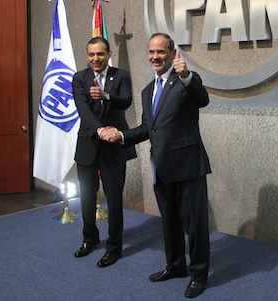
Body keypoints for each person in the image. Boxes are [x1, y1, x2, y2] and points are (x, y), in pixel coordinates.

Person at [100, 33, 211, 298]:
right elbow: (148, 128)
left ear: (172, 54)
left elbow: (203, 99)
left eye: (161, 52)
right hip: (161, 167)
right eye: (151, 52)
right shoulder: (148, 90)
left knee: (194, 224)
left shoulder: (185, 81)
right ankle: (175, 266)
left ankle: (199, 275)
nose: (155, 57)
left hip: (188, 166)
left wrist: (187, 76)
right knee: (169, 222)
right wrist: (122, 135)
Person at [71, 37, 136, 267]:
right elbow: (83, 110)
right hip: (88, 144)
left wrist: (106, 96)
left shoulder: (121, 75)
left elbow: (126, 101)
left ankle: (114, 247)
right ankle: (89, 239)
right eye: (91, 55)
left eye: (100, 54)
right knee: (87, 197)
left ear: (108, 54)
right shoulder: (79, 78)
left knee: (114, 199)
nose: (95, 59)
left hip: (114, 147)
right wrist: (99, 129)